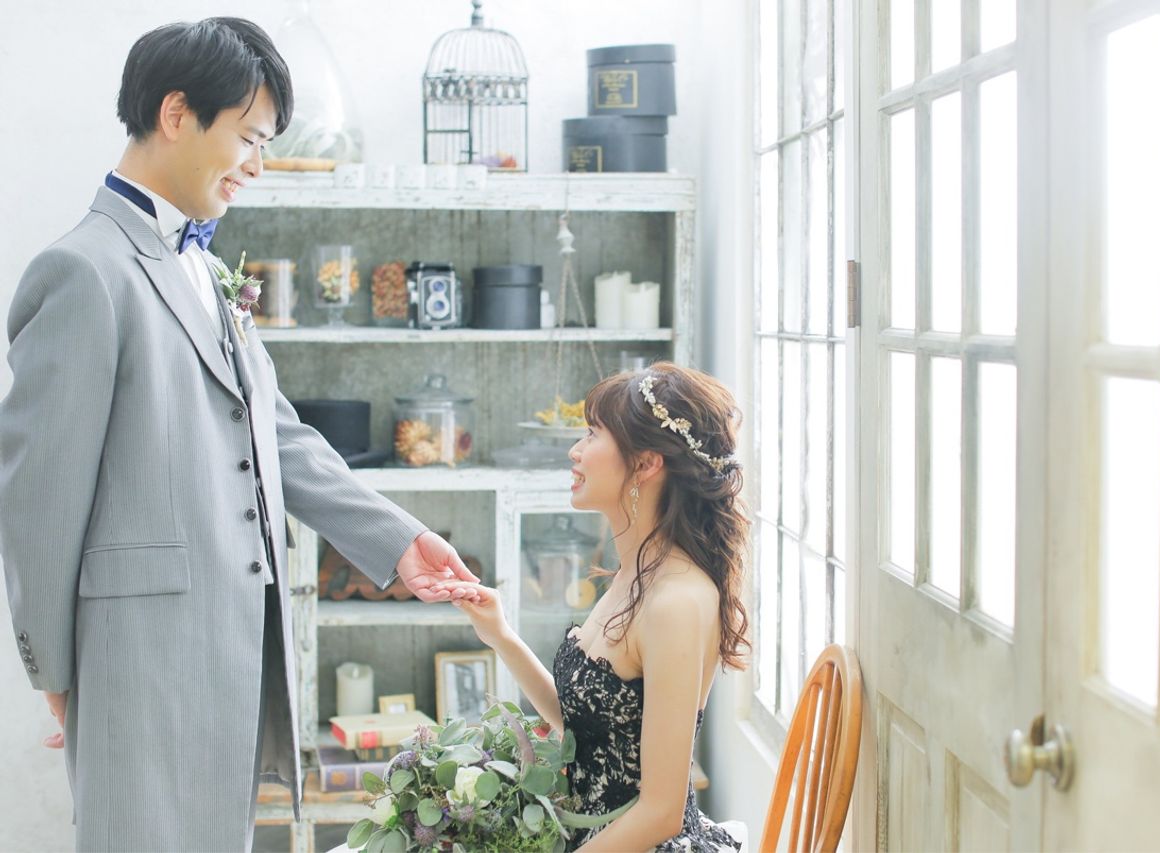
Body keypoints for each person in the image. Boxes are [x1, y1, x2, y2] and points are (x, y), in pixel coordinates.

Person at [0, 18, 476, 852]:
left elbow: (273, 430)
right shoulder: (83, 271)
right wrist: (61, 678)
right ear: (176, 114)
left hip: (233, 658)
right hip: (138, 667)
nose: (259, 164)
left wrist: (397, 541)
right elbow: (38, 499)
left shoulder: (205, 263)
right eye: (250, 137)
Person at [433, 362, 750, 851]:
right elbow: (583, 728)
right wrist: (501, 635)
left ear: (645, 464)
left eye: (592, 433)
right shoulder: (636, 572)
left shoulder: (676, 602)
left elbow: (662, 813)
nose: (574, 451)